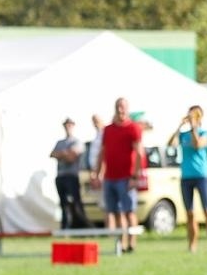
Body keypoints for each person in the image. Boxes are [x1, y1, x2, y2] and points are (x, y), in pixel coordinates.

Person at [93, 98, 145, 254]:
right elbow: (102, 153)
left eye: (123, 107)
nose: (120, 110)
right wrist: (97, 173)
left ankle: (132, 243)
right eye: (118, 107)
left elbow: (139, 153)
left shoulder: (133, 128)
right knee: (115, 212)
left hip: (126, 177)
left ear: (127, 109)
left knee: (129, 211)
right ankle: (121, 243)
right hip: (110, 177)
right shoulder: (108, 130)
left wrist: (135, 176)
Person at [167, 105, 207, 253]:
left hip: (202, 177)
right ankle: (192, 245)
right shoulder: (183, 135)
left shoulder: (204, 133)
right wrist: (179, 127)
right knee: (190, 214)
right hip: (186, 178)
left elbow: (197, 145)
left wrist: (194, 128)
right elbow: (171, 144)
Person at [50, 118, 88, 230]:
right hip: (61, 176)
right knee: (63, 203)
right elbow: (52, 154)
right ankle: (65, 226)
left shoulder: (77, 142)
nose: (68, 127)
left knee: (75, 202)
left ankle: (82, 226)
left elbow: (72, 158)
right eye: (66, 125)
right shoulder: (60, 142)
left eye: (70, 125)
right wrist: (66, 153)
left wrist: (61, 154)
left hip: (71, 176)